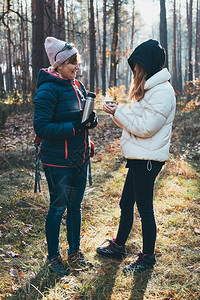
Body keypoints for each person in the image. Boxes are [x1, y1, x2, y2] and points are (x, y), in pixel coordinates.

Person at [97, 39, 176, 273]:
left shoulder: (163, 92)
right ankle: (119, 245)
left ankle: (148, 256)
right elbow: (136, 120)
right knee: (126, 203)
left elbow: (145, 128)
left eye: (137, 66)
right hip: (139, 158)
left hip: (148, 160)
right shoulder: (151, 89)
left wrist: (119, 112)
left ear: (148, 66)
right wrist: (117, 112)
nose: (135, 71)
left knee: (144, 208)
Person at [34, 37, 98, 276]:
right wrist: (74, 127)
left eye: (77, 62)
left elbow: (82, 119)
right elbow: (41, 127)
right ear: (58, 65)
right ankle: (53, 257)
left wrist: (90, 122)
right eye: (72, 62)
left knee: (75, 207)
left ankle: (74, 251)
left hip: (79, 158)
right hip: (57, 161)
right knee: (57, 208)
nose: (76, 66)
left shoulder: (77, 85)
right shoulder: (47, 89)